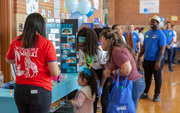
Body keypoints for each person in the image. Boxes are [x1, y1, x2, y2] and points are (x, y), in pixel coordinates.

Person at [6, 13, 60, 113]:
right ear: (41, 26)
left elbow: (8, 60)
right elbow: (55, 73)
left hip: (20, 89)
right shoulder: (46, 43)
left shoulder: (16, 41)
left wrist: (21, 58)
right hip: (40, 89)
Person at [100, 29, 145, 110]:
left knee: (127, 110)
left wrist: (110, 73)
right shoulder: (117, 50)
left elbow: (127, 70)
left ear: (108, 40)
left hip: (133, 84)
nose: (101, 43)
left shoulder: (117, 51)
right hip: (132, 83)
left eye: (102, 40)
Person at [77, 27, 109, 113]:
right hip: (94, 72)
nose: (82, 48)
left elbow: (105, 69)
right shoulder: (82, 51)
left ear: (90, 43)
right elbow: (89, 65)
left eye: (84, 46)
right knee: (93, 98)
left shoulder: (98, 51)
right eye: (80, 46)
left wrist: (101, 86)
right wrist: (96, 79)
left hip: (105, 73)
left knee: (104, 100)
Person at [138, 15, 166, 102]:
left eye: (153, 21)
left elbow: (162, 49)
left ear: (158, 23)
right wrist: (139, 56)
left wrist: (158, 61)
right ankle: (145, 93)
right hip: (147, 60)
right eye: (151, 21)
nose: (151, 23)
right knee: (147, 77)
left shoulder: (161, 35)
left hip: (156, 61)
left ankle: (156, 95)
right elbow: (144, 47)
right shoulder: (147, 34)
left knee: (157, 78)